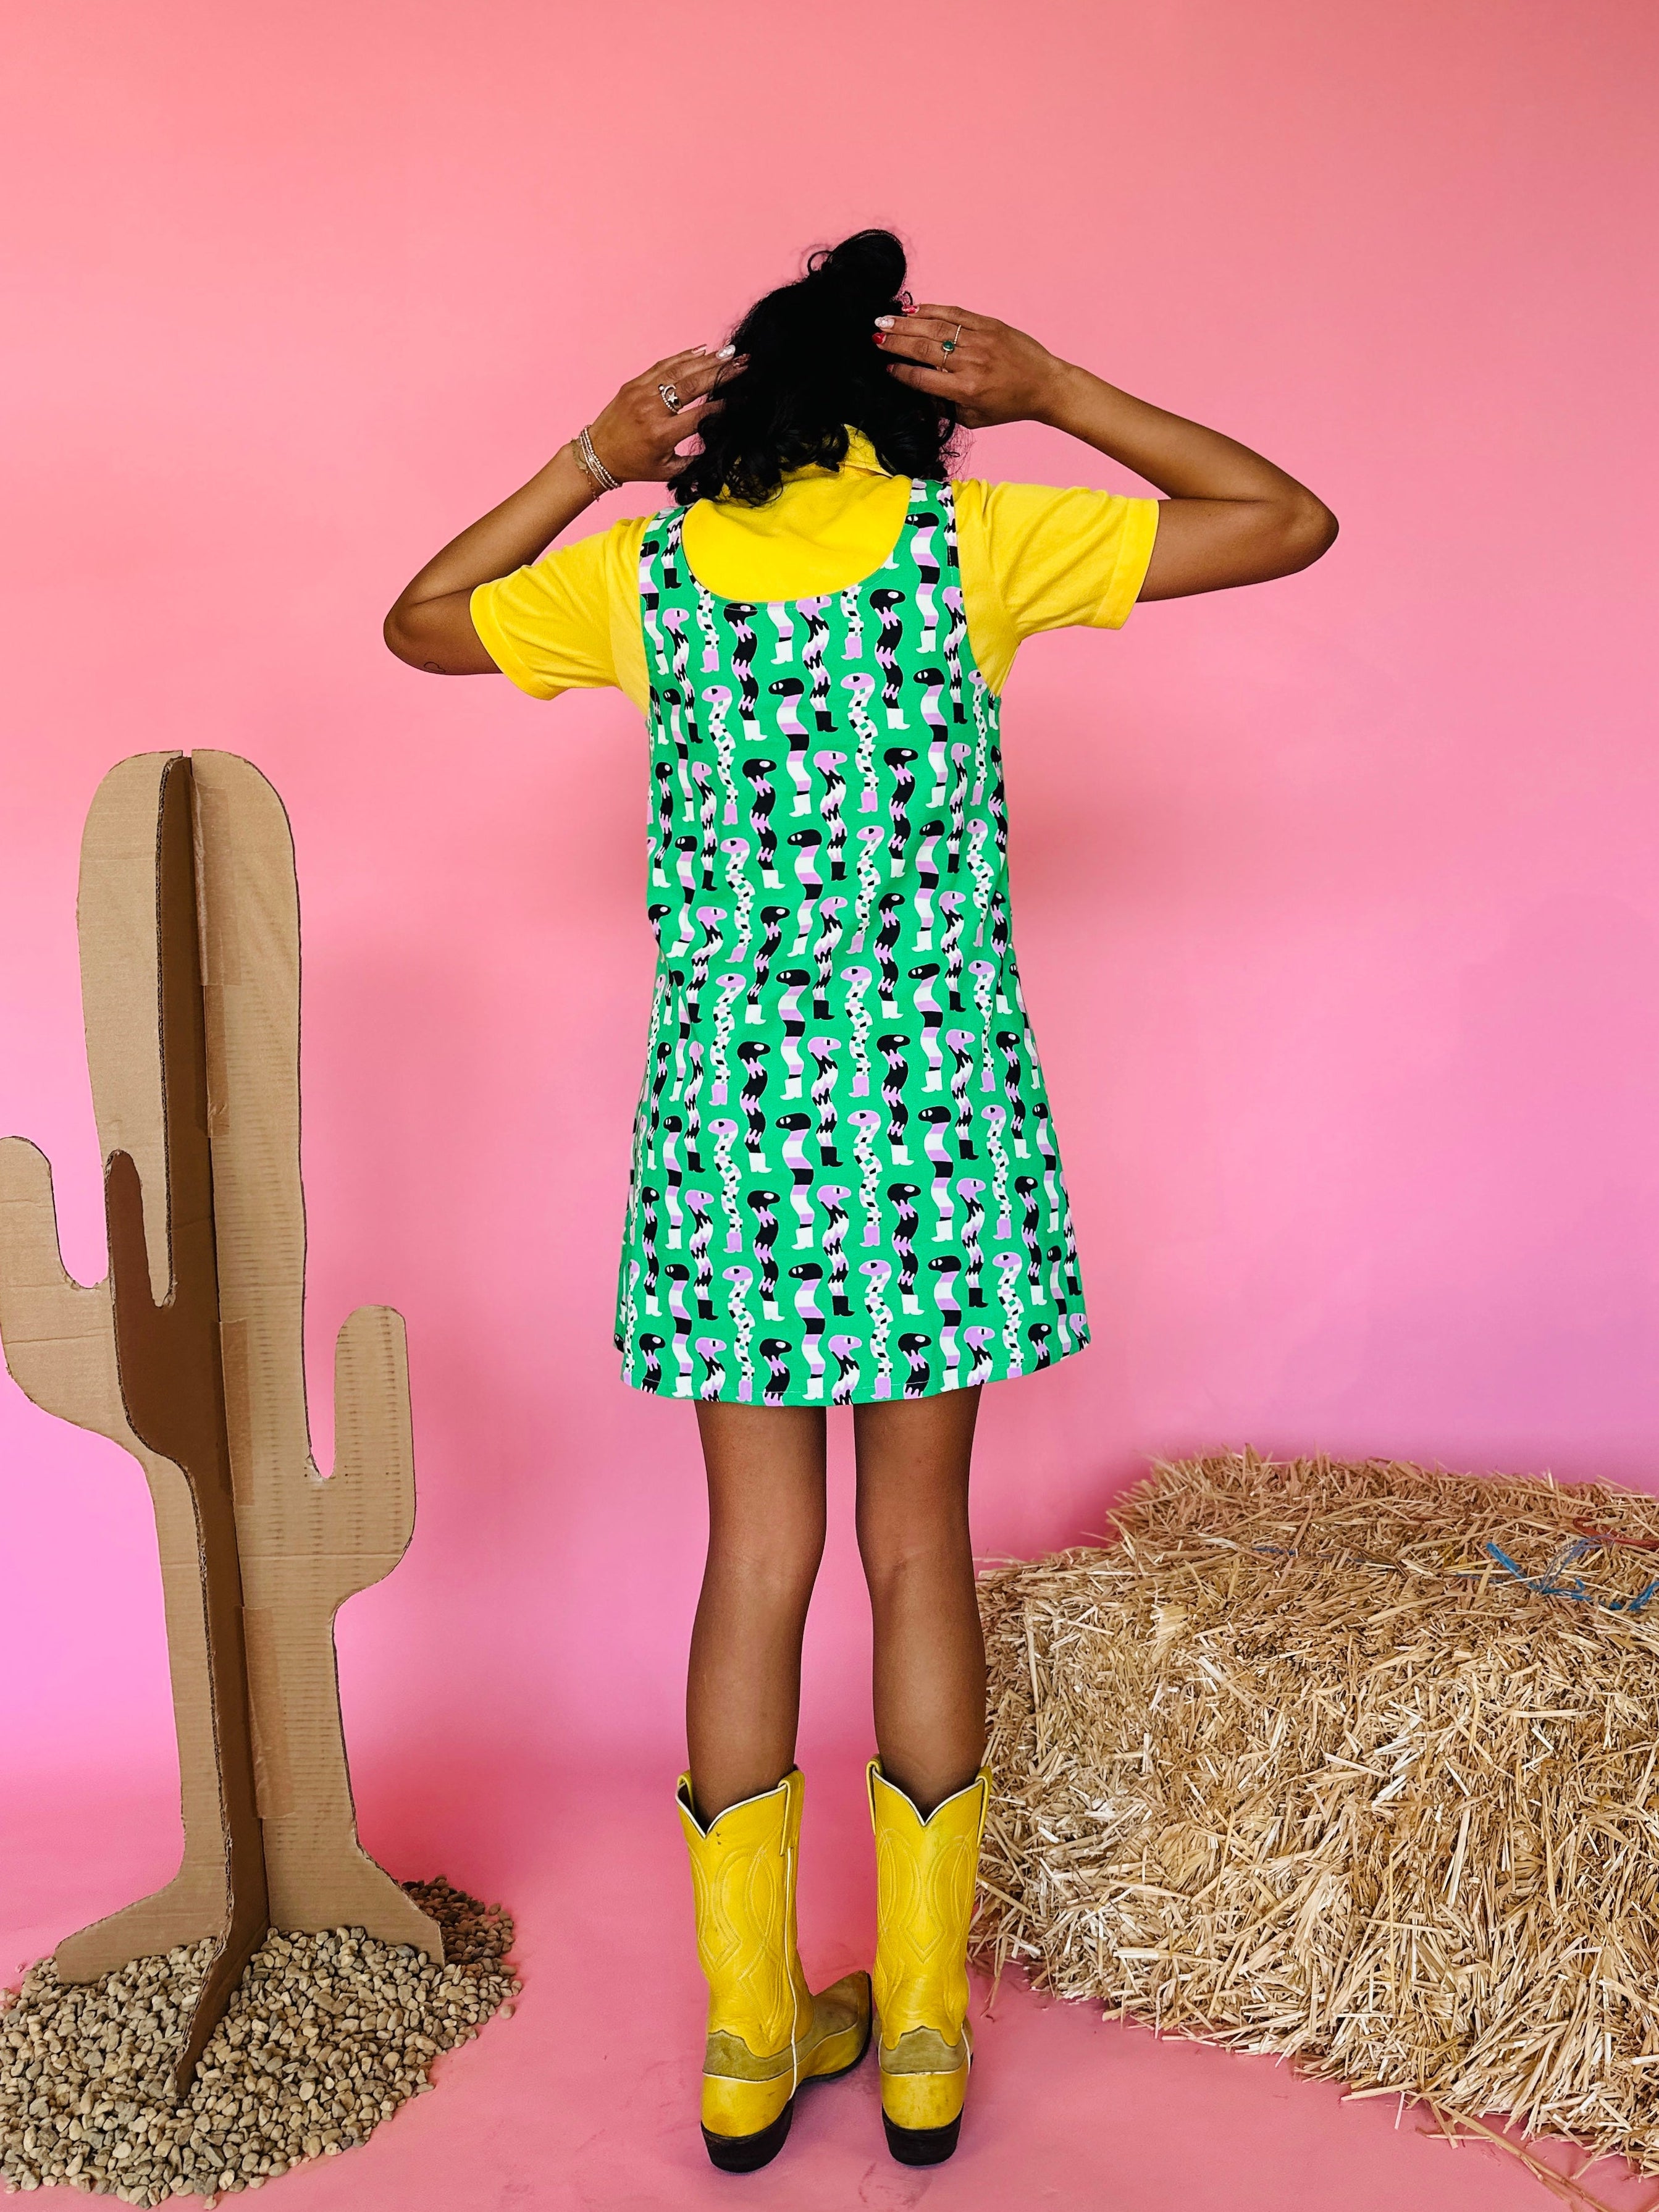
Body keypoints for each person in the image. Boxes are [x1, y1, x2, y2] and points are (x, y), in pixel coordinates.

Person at [385, 228, 1336, 2171]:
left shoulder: (650, 582)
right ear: (922, 412)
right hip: (937, 1126)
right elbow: (1283, 516)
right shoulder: (972, 555)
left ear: (724, 420)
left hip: (733, 1134)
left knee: (755, 1564)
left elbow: (419, 617)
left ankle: (750, 2043)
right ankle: (916, 2036)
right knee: (921, 1555)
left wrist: (590, 453)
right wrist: (1061, 390)